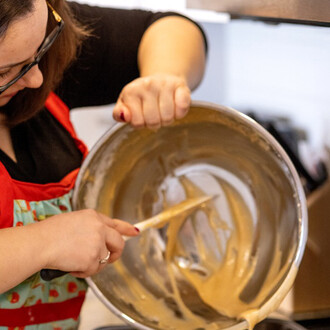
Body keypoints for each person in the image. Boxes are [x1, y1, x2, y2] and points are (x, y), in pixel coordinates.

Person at [0, 0, 207, 328]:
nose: (38, 78)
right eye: (4, 72)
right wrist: (44, 241)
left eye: (40, 49)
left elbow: (170, 28)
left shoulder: (24, 26)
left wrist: (163, 78)